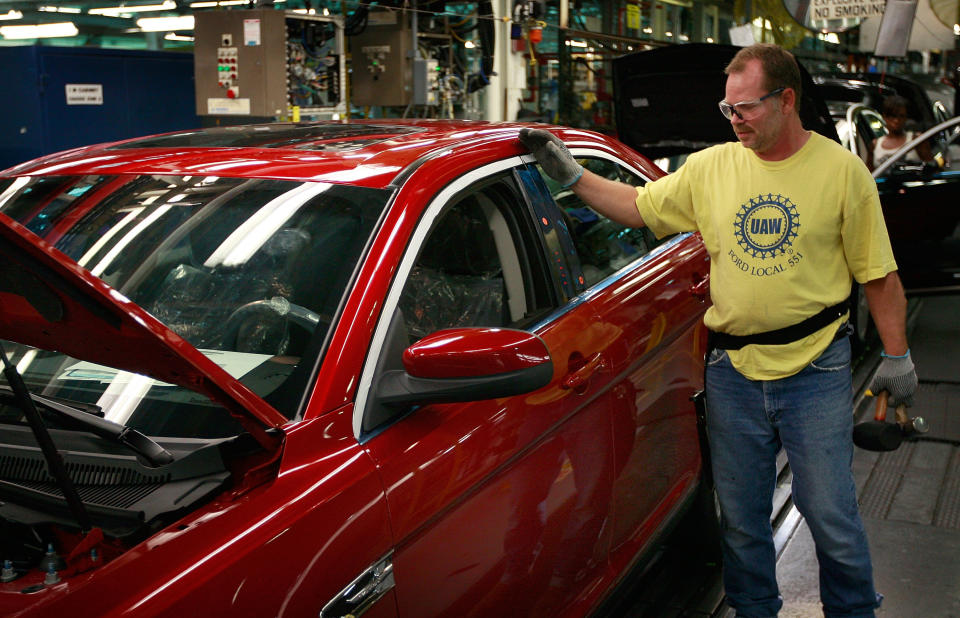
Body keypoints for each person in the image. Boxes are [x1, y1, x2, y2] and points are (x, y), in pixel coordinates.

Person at [519, 43, 917, 618]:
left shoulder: (841, 173)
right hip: (732, 374)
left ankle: (853, 610)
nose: (734, 121)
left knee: (830, 514)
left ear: (786, 100)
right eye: (726, 110)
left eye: (745, 108)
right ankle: (755, 610)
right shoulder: (710, 166)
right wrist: (576, 176)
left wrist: (897, 359)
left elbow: (879, 278)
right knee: (740, 517)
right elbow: (638, 207)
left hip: (815, 368)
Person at [868, 94, 934, 170]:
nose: (896, 120)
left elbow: (932, 169)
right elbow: (868, 176)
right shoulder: (875, 145)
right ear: (884, 117)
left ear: (906, 118)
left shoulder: (917, 141)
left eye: (901, 116)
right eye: (893, 116)